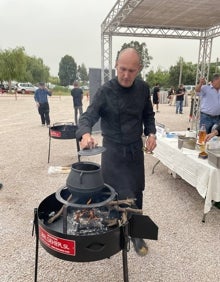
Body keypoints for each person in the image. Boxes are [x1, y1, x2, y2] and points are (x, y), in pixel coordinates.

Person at [76, 48, 157, 256]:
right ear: (116, 66)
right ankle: (113, 235)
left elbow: (148, 115)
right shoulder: (105, 91)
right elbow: (87, 117)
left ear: (138, 69)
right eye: (122, 69)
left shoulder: (143, 89)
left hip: (134, 151)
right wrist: (85, 134)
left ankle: (136, 233)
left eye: (131, 70)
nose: (126, 75)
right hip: (112, 151)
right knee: (112, 193)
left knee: (136, 192)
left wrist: (151, 134)